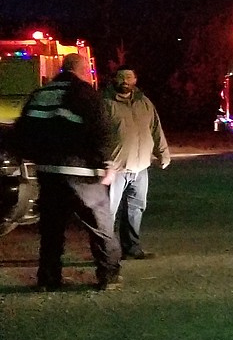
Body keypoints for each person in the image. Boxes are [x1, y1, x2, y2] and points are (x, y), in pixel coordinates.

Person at [12, 53, 122, 291]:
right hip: (81, 172)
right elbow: (101, 129)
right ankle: (108, 276)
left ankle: (48, 279)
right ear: (83, 70)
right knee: (101, 225)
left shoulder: (40, 93)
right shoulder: (84, 94)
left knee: (51, 229)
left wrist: (28, 156)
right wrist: (108, 163)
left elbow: (22, 129)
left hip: (48, 171)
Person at [104, 65, 171, 260]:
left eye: (129, 77)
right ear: (114, 79)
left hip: (140, 167)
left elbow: (156, 129)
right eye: (121, 77)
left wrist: (163, 153)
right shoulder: (104, 104)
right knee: (108, 212)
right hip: (115, 168)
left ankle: (131, 247)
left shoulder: (145, 103)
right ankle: (107, 251)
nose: (125, 80)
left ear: (135, 80)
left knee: (136, 209)